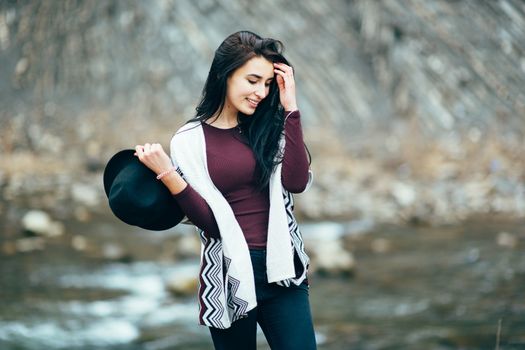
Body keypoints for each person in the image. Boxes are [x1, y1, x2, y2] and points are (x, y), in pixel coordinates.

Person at [134, 30, 316, 350]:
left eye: (267, 84)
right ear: (225, 75)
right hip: (229, 277)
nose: (261, 91)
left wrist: (290, 108)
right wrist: (168, 173)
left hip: (283, 272)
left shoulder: (272, 126)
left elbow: (296, 183)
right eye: (252, 80)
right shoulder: (189, 141)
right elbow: (211, 223)